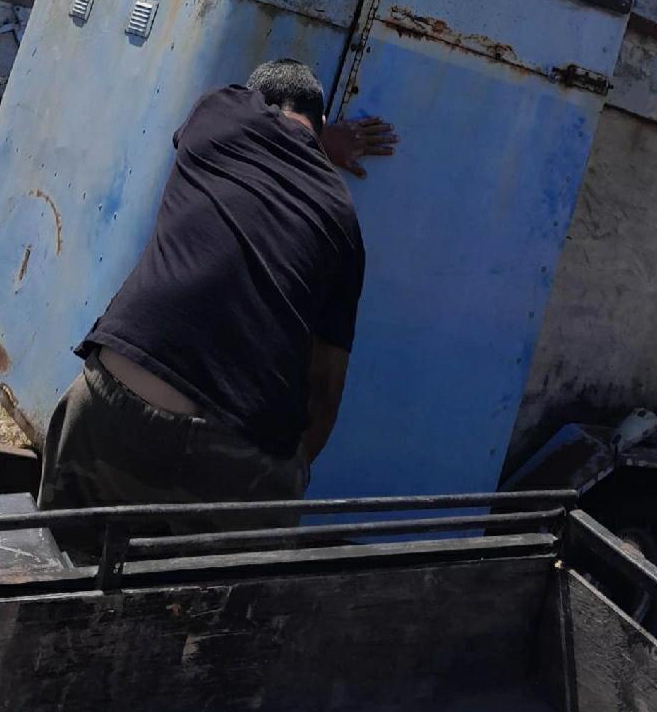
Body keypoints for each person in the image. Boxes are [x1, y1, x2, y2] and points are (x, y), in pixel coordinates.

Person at [37, 59, 394, 521]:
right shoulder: (343, 219)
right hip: (240, 456)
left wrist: (322, 140)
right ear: (320, 121)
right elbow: (326, 387)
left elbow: (277, 126)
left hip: (115, 400)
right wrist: (291, 475)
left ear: (256, 100)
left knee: (66, 555)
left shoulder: (216, 113)